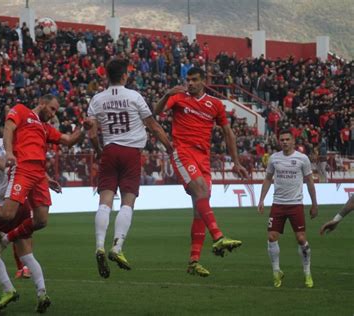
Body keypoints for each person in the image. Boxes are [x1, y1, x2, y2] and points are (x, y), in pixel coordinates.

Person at [0, 95, 83, 313]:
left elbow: (68, 140)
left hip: (34, 175)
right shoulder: (21, 111)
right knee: (17, 234)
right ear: (42, 102)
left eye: (55, 112)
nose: (53, 115)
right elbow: (8, 127)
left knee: (41, 221)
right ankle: (37, 290)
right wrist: (11, 153)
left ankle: (32, 288)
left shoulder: (42, 128)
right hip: (22, 172)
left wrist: (85, 126)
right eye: (52, 109)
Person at [155, 67, 247, 277]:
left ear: (203, 81)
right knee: (200, 191)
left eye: (195, 80)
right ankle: (218, 236)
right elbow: (156, 112)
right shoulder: (178, 97)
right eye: (188, 80)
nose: (191, 83)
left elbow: (228, 133)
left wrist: (236, 161)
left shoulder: (215, 104)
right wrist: (167, 94)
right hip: (183, 153)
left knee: (200, 207)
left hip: (203, 159)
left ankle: (193, 261)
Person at [86, 58, 173, 278]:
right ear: (125, 75)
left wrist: (98, 150)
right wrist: (170, 147)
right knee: (128, 201)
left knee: (105, 200)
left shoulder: (97, 100)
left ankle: (99, 245)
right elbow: (152, 125)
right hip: (131, 153)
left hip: (110, 150)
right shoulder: (134, 97)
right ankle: (117, 246)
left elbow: (92, 133)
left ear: (107, 76)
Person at [258, 129, 318, 288]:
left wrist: (314, 204)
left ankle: (307, 272)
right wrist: (261, 199)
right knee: (271, 237)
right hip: (278, 204)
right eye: (282, 139)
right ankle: (276, 271)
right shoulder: (274, 158)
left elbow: (310, 181)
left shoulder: (302, 159)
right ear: (279, 141)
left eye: (287, 139)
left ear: (293, 141)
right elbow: (268, 179)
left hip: (296, 204)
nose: (284, 142)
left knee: (301, 239)